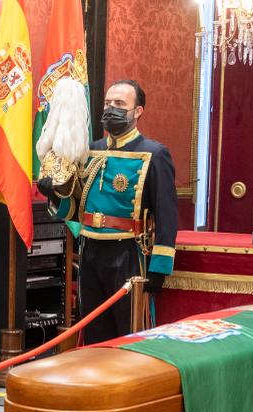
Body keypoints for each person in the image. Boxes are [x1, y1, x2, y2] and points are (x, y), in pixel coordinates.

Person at [38, 79, 177, 344]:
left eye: (120, 104)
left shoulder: (154, 153)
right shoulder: (90, 150)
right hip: (90, 250)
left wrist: (159, 268)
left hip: (127, 253)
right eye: (108, 103)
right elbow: (75, 210)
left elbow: (167, 216)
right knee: (94, 329)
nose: (111, 109)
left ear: (137, 111)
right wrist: (55, 193)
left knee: (129, 332)